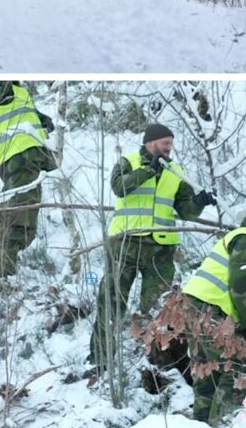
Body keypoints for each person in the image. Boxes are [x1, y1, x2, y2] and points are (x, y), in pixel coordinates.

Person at [88, 122, 215, 371]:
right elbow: (119, 187)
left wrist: (199, 202)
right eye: (165, 143)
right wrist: (149, 170)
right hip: (126, 244)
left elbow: (185, 211)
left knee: (158, 308)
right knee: (111, 302)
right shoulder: (130, 161)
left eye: (170, 143)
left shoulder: (176, 171)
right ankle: (100, 360)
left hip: (161, 250)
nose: (169, 148)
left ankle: (155, 363)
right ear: (150, 143)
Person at [182, 211, 246, 425]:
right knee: (241, 366)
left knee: (207, 370)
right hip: (208, 307)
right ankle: (222, 427)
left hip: (195, 305)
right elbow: (239, 288)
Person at [0, 81, 57, 275]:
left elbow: (18, 112)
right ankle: (1, 272)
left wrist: (38, 118)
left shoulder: (18, 89)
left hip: (26, 158)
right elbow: (1, 94)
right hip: (17, 157)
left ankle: (1, 268)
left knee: (25, 219)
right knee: (17, 219)